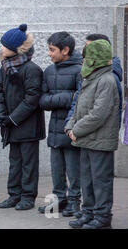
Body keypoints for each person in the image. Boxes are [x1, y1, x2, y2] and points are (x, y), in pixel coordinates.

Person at [66, 39, 120, 229]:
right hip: (87, 140)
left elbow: (98, 114)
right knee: (87, 180)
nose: (84, 60)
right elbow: (78, 106)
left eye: (88, 56)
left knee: (100, 181)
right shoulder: (91, 78)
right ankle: (88, 213)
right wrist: (70, 126)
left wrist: (76, 129)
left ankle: (102, 217)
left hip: (100, 141)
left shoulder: (107, 80)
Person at [0, 24, 45, 211]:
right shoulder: (5, 67)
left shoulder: (31, 69)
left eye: (4, 45)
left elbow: (32, 98)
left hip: (28, 126)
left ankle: (28, 196)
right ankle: (14, 194)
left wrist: (13, 118)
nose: (1, 48)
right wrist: (1, 115)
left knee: (29, 163)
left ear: (16, 48)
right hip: (11, 123)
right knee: (15, 162)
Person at [37, 32, 82, 217]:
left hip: (72, 128)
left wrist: (60, 99)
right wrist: (66, 97)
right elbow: (43, 100)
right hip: (54, 129)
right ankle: (58, 200)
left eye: (52, 50)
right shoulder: (49, 71)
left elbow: (80, 100)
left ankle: (74, 201)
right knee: (57, 169)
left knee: (73, 170)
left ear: (66, 50)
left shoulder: (80, 70)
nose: (49, 54)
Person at [65, 34, 124, 129]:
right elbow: (77, 102)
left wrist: (76, 130)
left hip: (97, 137)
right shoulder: (89, 72)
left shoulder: (110, 77)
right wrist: (69, 124)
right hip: (84, 135)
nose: (85, 53)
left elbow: (99, 113)